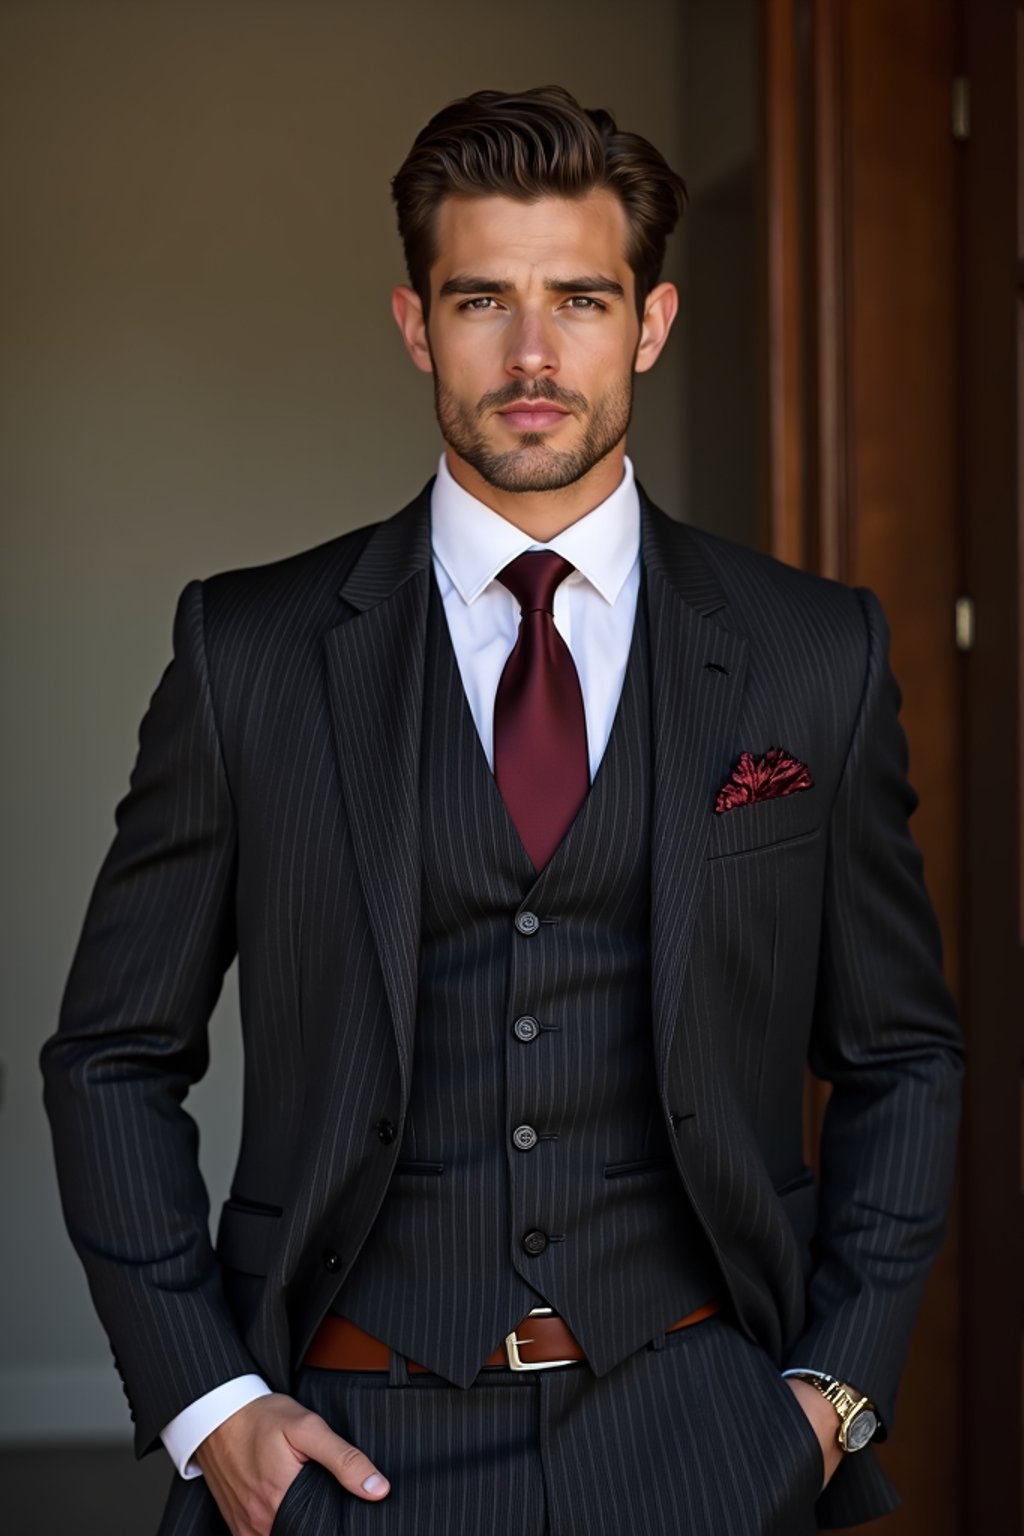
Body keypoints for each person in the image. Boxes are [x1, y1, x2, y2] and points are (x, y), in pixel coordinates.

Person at [40, 86, 963, 1536]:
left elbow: (902, 1052)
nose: (533, 356)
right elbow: (109, 1053)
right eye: (483, 299)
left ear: (649, 324)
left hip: (705, 1437)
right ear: (417, 324)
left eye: (580, 299)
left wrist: (833, 1393)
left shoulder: (810, 652)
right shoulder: (253, 651)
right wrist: (213, 1405)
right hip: (344, 1448)